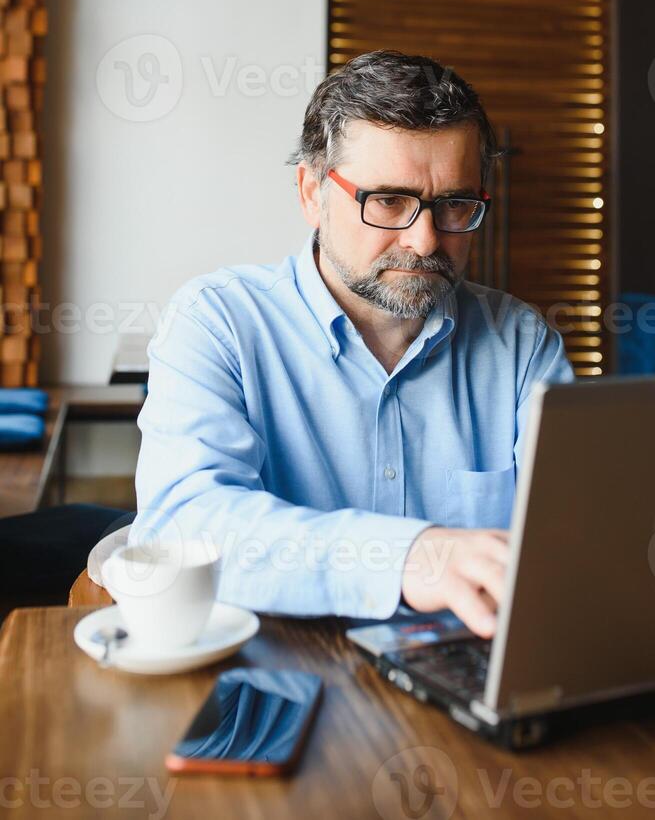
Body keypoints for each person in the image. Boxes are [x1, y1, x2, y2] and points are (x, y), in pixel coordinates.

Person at [130, 50, 574, 636]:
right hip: (277, 685)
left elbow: (573, 542)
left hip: (468, 678)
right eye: (389, 201)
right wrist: (409, 556)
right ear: (312, 193)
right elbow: (184, 527)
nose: (424, 241)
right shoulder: (218, 323)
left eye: (455, 205)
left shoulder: (522, 346)